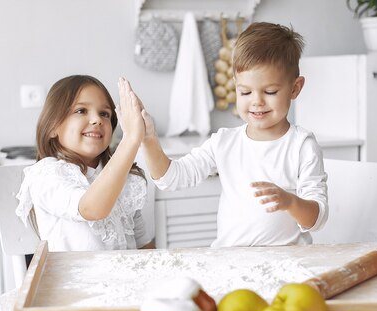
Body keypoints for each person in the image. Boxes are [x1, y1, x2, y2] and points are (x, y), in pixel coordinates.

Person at [140, 22, 328, 247]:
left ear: (295, 88)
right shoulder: (224, 142)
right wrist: (148, 139)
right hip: (231, 259)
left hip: (287, 261)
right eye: (245, 91)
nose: (256, 101)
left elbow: (317, 220)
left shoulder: (301, 146)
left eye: (270, 91)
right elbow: (171, 178)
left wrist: (290, 202)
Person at [15, 75, 155, 251]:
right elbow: (91, 209)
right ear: (52, 127)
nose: (97, 120)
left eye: (104, 114)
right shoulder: (47, 174)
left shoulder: (123, 178)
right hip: (75, 278)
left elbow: (144, 244)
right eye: (81, 111)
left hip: (125, 277)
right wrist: (131, 140)